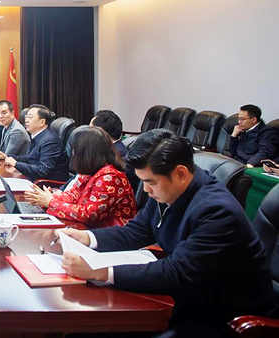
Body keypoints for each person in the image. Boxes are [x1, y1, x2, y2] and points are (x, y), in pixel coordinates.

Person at [59, 129, 276, 335]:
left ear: (180, 173)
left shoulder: (217, 211)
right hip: (186, 298)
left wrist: (100, 272)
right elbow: (135, 232)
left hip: (222, 318)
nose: (145, 190)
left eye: (150, 182)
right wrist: (86, 238)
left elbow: (177, 272)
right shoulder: (170, 190)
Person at [25, 126, 136, 228]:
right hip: (86, 228)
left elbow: (89, 215)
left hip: (110, 234)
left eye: (75, 149)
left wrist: (51, 202)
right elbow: (73, 196)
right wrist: (48, 197)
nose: (73, 153)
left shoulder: (110, 178)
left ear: (86, 152)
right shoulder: (89, 170)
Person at [0, 104, 69, 182]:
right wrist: (7, 157)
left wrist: (16, 164)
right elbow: (29, 158)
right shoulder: (37, 135)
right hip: (33, 179)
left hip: (45, 185)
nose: (26, 120)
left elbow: (42, 171)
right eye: (26, 117)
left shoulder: (50, 141)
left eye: (30, 117)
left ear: (42, 122)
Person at [90, 109, 139, 192]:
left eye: (90, 129)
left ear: (100, 132)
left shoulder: (119, 156)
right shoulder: (111, 149)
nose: (87, 134)